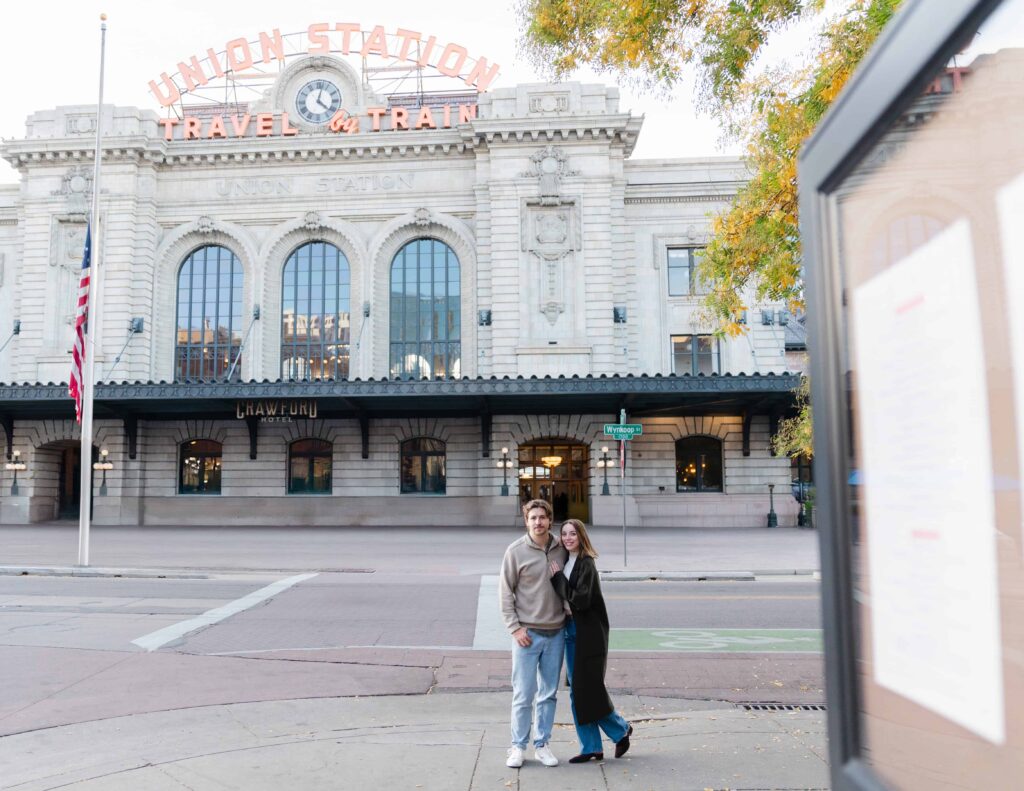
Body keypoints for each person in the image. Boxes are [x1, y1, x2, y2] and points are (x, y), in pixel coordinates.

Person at [549, 518, 633, 763]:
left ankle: (619, 730)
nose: (567, 538)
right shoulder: (567, 560)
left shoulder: (586, 563)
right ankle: (593, 746)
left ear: (581, 536)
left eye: (572, 534)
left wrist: (559, 581)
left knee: (587, 688)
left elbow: (581, 600)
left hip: (588, 632)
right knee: (578, 690)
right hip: (570, 630)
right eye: (564, 534)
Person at [499, 498, 569, 769]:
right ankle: (517, 747)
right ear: (526, 521)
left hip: (556, 633)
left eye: (542, 517)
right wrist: (515, 628)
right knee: (523, 694)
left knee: (548, 693)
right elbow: (505, 593)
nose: (538, 522)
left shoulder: (561, 548)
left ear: (550, 520)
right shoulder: (515, 551)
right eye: (533, 518)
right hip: (527, 635)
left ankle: (542, 744)